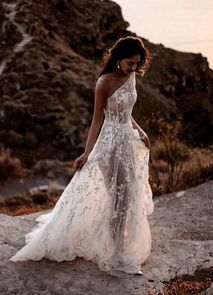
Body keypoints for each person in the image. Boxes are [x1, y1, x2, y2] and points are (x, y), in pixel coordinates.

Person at [10, 36, 154, 275]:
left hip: (127, 143)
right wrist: (87, 153)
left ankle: (118, 243)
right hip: (108, 145)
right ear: (119, 58)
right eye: (130, 63)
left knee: (127, 196)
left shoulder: (130, 78)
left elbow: (126, 112)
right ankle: (117, 252)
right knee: (118, 197)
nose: (133, 68)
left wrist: (140, 131)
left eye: (136, 64)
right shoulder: (104, 83)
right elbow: (98, 119)